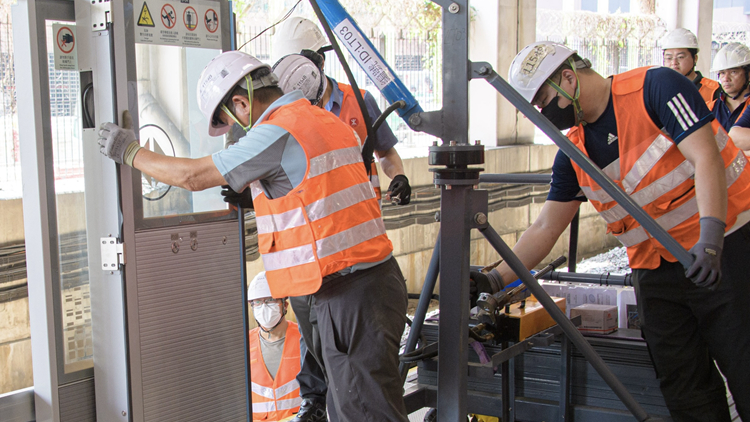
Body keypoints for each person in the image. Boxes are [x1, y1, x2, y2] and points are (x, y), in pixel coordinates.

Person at [97, 50, 410, 422]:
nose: (239, 132)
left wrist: (128, 151)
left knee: (364, 413)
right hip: (372, 285)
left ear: (242, 102)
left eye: (232, 121)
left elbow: (193, 177)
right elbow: (312, 193)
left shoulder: (277, 130)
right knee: (362, 408)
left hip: (349, 298)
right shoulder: (322, 119)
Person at [479, 41, 750, 422]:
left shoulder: (655, 89)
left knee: (744, 365)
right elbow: (546, 226)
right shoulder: (573, 153)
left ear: (569, 79)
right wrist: (494, 279)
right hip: (656, 273)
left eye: (542, 102)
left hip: (725, 250)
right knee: (685, 388)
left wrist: (711, 237)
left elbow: (705, 156)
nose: (542, 115)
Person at [273, 18, 411, 422]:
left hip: (355, 249)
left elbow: (384, 153)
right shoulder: (285, 114)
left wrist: (398, 175)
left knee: (355, 358)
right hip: (310, 248)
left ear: (320, 60)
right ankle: (316, 400)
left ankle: (338, 400)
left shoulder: (358, 100)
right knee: (316, 335)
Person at [247, 271, 302, 421]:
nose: (262, 307)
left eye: (270, 300)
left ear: (285, 305)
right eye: (257, 302)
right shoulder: (243, 345)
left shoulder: (304, 339)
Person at [661, 28, 721, 103]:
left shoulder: (713, 90)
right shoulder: (660, 90)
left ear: (695, 58)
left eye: (680, 57)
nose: (674, 62)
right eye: (669, 58)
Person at [709, 42, 750, 153]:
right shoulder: (709, 109)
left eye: (733, 72)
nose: (726, 78)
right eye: (722, 73)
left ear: (748, 74)